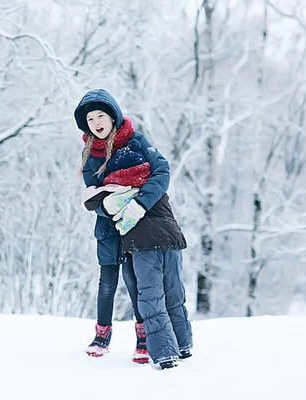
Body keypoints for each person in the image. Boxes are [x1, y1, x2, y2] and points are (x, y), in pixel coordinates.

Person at [75, 89, 193, 370]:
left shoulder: (136, 141)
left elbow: (161, 171)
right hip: (109, 227)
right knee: (107, 283)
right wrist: (110, 205)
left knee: (138, 283)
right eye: (90, 118)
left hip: (139, 226)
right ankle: (102, 335)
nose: (96, 122)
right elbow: (93, 195)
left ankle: (143, 338)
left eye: (101, 115)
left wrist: (136, 202)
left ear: (113, 116)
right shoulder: (89, 153)